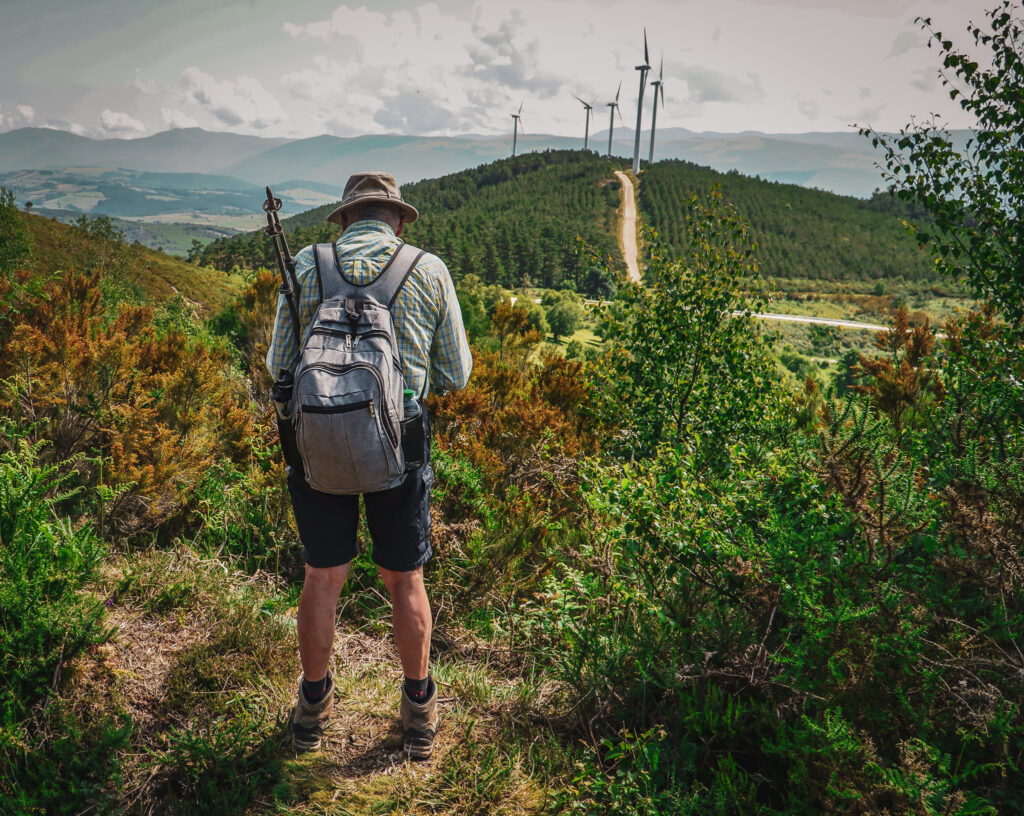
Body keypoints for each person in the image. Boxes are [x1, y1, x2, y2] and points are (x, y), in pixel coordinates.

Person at [265, 171, 472, 759]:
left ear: (345, 218)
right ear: (399, 220)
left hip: (316, 447)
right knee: (405, 579)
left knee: (322, 575)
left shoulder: (307, 265)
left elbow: (279, 366)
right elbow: (456, 375)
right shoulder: (427, 269)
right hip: (399, 448)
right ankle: (419, 711)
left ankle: (312, 708)